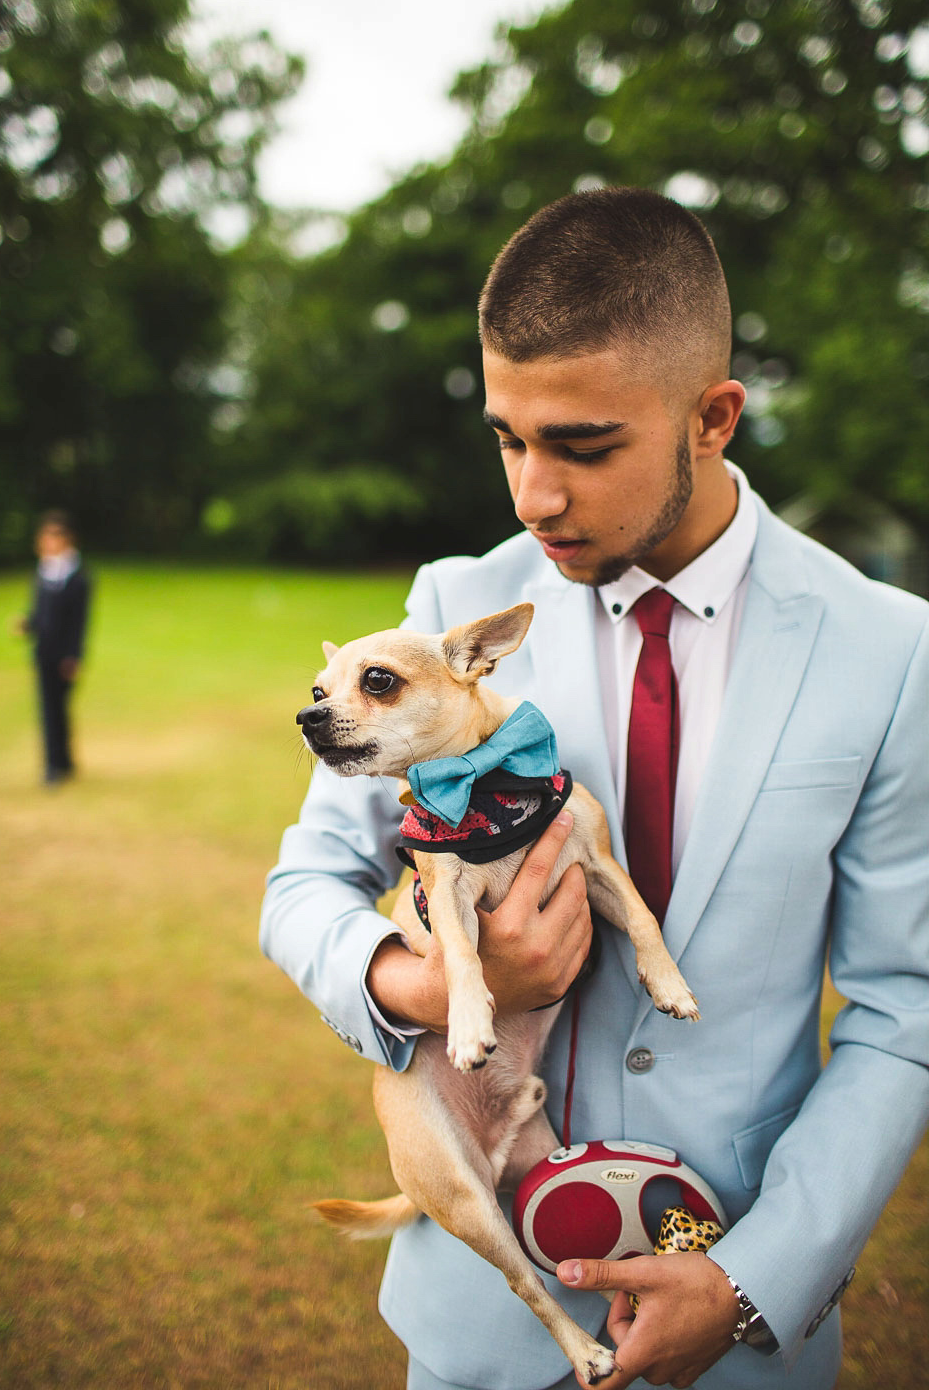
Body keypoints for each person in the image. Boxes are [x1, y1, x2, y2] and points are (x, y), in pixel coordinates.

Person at [260, 188, 929, 1390]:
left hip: (736, 1313)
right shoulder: (448, 605)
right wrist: (424, 981)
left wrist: (753, 1278)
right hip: (478, 1315)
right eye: (510, 438)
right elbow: (304, 885)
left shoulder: (892, 650)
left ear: (714, 416)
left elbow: (904, 1010)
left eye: (582, 445)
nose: (532, 495)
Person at [18, 510, 92, 785]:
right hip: (43, 651)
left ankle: (63, 760)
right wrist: (27, 624)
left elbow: (80, 622)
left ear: (68, 538)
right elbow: (39, 614)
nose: (51, 541)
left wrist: (75, 655)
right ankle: (53, 764)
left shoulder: (79, 576)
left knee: (60, 709)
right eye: (47, 535)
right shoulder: (42, 571)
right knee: (48, 709)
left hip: (65, 654)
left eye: (56, 535)